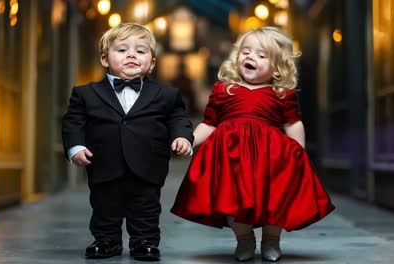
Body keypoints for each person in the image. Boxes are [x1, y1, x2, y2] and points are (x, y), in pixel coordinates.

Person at [171, 26, 335, 262]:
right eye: (246, 52)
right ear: (237, 57)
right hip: (230, 157)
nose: (251, 57)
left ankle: (271, 240)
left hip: (271, 158)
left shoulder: (281, 93)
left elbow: (293, 123)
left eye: (261, 55)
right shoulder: (223, 89)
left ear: (277, 68)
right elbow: (210, 123)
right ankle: (244, 239)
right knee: (232, 199)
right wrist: (191, 139)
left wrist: (298, 151)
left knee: (275, 199)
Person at [62, 23, 193, 261]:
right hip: (103, 162)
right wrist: (76, 147)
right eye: (122, 50)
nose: (131, 55)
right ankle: (106, 240)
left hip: (148, 163)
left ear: (152, 63)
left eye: (140, 51)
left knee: (146, 207)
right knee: (104, 206)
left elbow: (178, 118)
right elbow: (73, 123)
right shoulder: (85, 94)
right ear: (104, 59)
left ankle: (145, 242)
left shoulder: (166, 95)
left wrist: (182, 136)